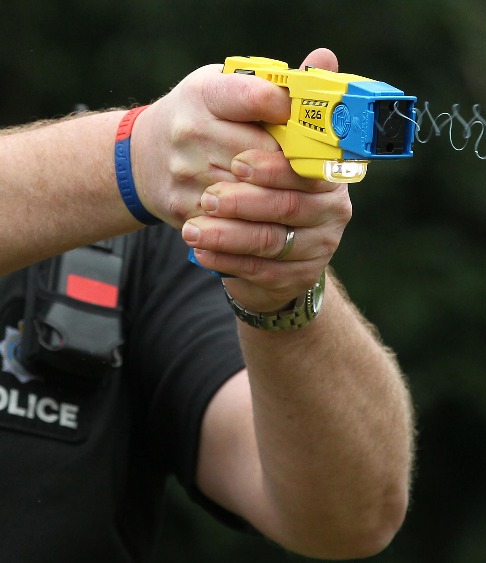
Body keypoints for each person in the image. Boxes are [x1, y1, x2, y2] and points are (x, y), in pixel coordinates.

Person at [0, 47, 415, 561]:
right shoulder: (141, 201)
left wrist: (282, 292)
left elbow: (353, 517)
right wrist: (133, 156)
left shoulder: (142, 240)